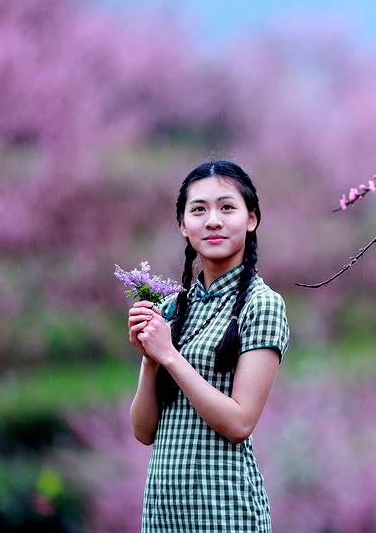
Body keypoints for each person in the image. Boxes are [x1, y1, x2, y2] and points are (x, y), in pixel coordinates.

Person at [127, 160, 289, 532]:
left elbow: (239, 423)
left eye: (227, 207)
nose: (212, 220)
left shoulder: (262, 305)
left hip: (224, 511)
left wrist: (169, 354)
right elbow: (144, 431)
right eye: (198, 210)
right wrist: (150, 359)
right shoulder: (173, 308)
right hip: (163, 513)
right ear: (183, 226)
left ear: (252, 219)